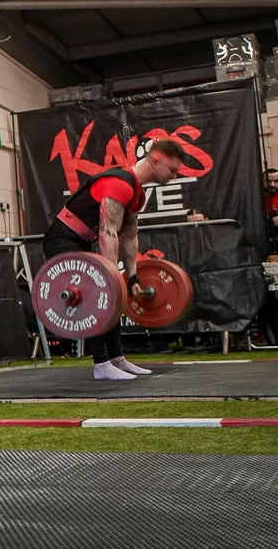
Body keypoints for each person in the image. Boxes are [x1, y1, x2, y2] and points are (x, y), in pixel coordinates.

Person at [42, 138, 185, 380]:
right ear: (157, 158)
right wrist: (109, 276)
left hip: (82, 241)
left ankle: (117, 358)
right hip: (61, 239)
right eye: (172, 170)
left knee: (114, 292)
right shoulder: (119, 182)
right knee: (99, 293)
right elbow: (107, 232)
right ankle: (101, 364)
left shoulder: (138, 194)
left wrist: (131, 276)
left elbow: (128, 236)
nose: (174, 176)